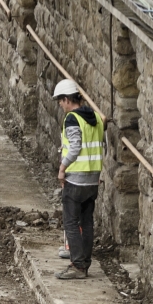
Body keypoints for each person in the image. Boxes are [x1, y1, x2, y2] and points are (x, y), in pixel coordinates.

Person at [53, 78, 104, 280]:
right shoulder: (97, 118)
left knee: (71, 223)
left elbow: (74, 147)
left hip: (76, 179)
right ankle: (85, 262)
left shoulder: (72, 119)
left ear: (67, 99)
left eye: (60, 101)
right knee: (87, 222)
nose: (60, 105)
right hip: (93, 179)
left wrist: (62, 168)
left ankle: (78, 265)